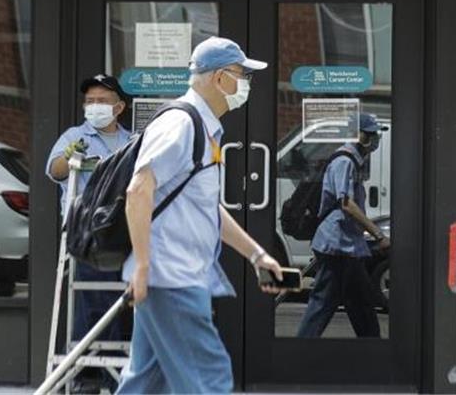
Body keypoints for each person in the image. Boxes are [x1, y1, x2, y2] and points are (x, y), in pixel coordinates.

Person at [117, 37, 284, 394]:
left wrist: (257, 254)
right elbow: (138, 191)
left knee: (146, 381)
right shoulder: (182, 125)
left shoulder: (203, 128)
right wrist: (144, 266)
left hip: (171, 276)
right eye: (242, 74)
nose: (246, 84)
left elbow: (206, 208)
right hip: (171, 277)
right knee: (209, 377)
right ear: (220, 78)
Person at [46, 74, 131, 388]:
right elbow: (54, 171)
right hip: (88, 232)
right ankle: (89, 376)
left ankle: (114, 374)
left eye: (102, 101)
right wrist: (69, 156)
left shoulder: (130, 140)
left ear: (119, 107)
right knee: (92, 301)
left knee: (118, 303)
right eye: (90, 101)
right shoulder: (75, 135)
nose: (94, 106)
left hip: (121, 232)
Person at [296, 112, 391, 339]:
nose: (376, 139)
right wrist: (378, 234)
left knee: (360, 301)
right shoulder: (344, 161)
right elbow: (347, 204)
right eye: (372, 135)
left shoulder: (356, 161)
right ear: (360, 135)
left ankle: (372, 347)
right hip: (336, 245)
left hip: (347, 245)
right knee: (322, 303)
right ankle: (301, 349)